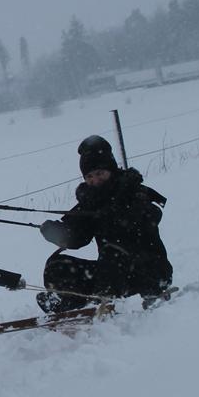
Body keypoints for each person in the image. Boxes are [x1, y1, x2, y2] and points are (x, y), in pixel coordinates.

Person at [36, 135, 173, 314]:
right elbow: (77, 236)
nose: (95, 180)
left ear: (112, 170)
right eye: (90, 176)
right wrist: (55, 232)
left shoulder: (132, 190)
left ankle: (104, 303)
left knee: (113, 252)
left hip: (149, 272)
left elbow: (152, 215)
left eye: (100, 173)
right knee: (57, 266)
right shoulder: (91, 202)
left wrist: (118, 215)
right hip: (111, 276)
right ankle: (67, 304)